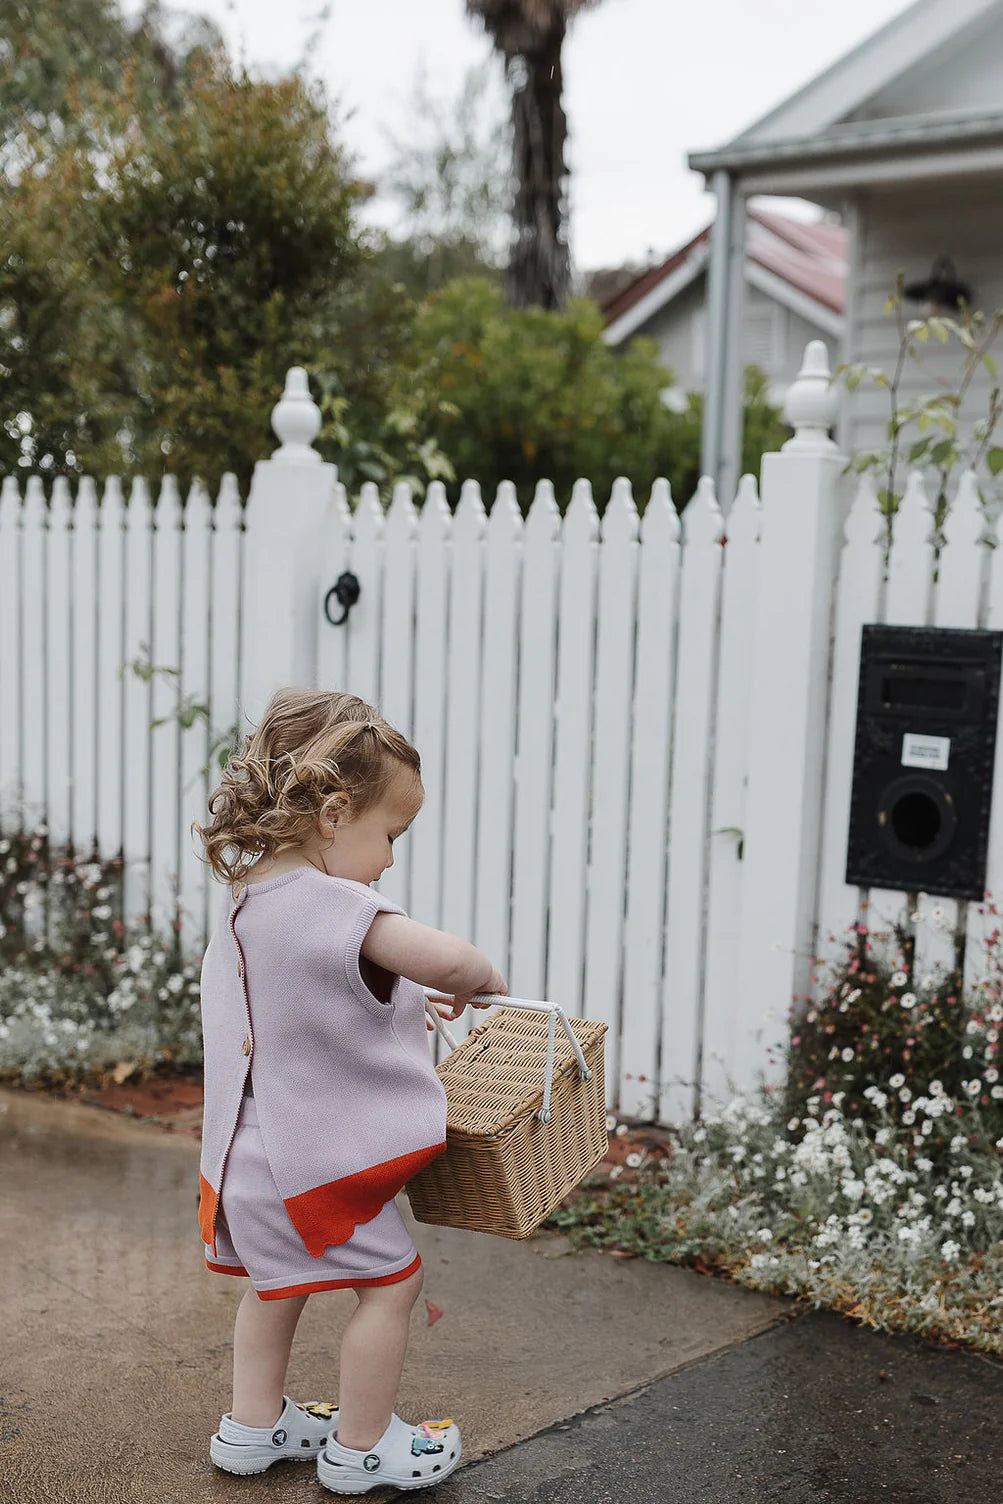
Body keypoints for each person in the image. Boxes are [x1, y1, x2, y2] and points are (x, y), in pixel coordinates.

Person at [191, 687, 507, 1493]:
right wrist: (477, 976)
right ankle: (363, 1448)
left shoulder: (243, 901)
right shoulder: (335, 904)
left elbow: (312, 1009)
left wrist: (397, 995)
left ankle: (251, 1427)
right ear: (333, 814)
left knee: (278, 1286)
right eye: (390, 835)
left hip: (245, 1168)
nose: (391, 860)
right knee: (391, 1284)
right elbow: (443, 961)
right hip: (315, 1170)